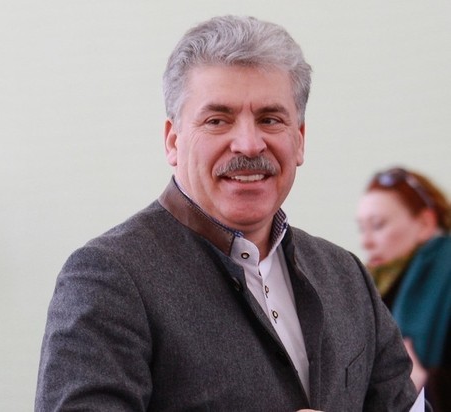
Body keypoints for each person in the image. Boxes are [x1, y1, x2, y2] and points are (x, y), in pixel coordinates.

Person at [35, 16, 420, 411]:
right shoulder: (108, 278)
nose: (249, 145)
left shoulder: (346, 275)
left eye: (270, 119)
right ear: (173, 141)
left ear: (300, 140)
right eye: (217, 121)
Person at [357, 166, 451, 412]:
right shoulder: (368, 291)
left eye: (378, 225)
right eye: (362, 228)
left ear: (425, 223)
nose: (366, 241)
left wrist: (424, 385)